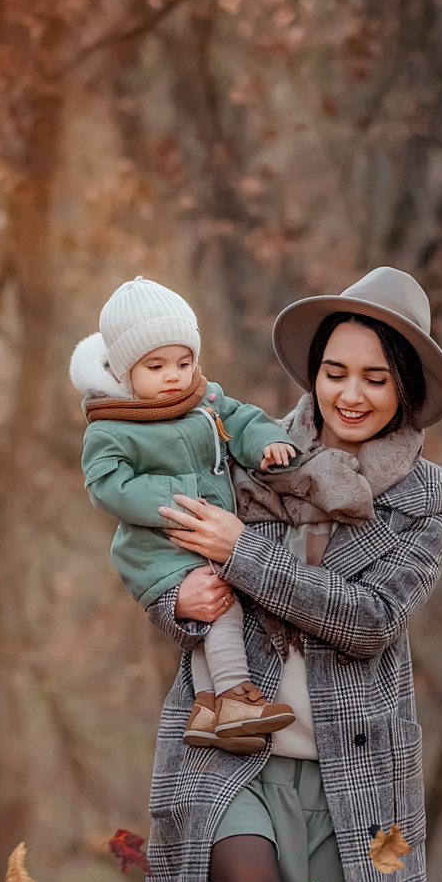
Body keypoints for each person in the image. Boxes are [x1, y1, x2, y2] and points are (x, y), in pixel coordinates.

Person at [136, 265, 442, 882]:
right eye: (334, 371)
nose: (349, 394)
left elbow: (366, 619)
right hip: (230, 744)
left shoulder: (428, 498)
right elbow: (174, 553)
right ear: (311, 372)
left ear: (403, 388)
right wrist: (173, 595)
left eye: (373, 377)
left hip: (356, 772)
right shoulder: (253, 454)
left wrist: (244, 553)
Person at [71, 277, 300, 750]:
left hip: (198, 537)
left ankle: (207, 711)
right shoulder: (112, 426)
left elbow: (243, 419)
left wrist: (265, 445)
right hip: (159, 546)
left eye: (184, 361)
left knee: (211, 614)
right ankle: (238, 697)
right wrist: (187, 491)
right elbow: (107, 487)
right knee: (222, 607)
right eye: (155, 366)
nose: (173, 376)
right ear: (122, 371)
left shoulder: (205, 399)